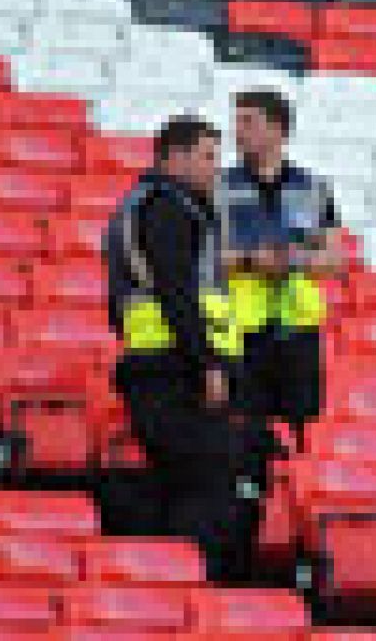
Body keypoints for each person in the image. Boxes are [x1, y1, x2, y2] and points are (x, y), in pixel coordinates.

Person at [103, 115, 271, 582]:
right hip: (174, 371)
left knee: (189, 482)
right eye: (206, 157)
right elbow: (178, 294)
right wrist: (208, 365)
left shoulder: (148, 209)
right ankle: (192, 587)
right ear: (173, 157)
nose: (215, 168)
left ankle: (171, 588)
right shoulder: (167, 209)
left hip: (162, 367)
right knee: (210, 485)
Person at [222, 90, 347, 437]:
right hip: (240, 328)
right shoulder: (217, 187)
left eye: (248, 121)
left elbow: (336, 260)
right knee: (241, 429)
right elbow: (200, 255)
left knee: (300, 430)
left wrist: (292, 261)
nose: (238, 131)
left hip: (298, 329)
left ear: (278, 130)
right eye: (237, 121)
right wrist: (251, 261)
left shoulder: (313, 188)